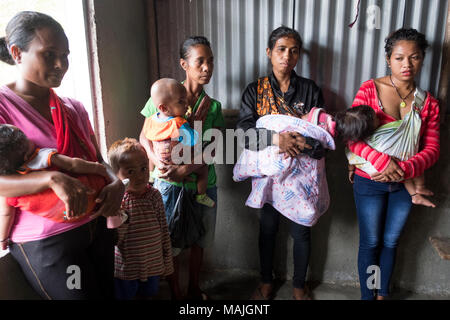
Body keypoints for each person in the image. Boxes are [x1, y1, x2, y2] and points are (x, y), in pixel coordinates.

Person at [0, 11, 124, 299]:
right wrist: (51, 178)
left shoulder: (73, 108)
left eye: (65, 55)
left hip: (96, 227)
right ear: (17, 53)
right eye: (49, 54)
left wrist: (116, 183)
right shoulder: (4, 107)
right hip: (51, 242)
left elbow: (97, 162)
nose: (61, 65)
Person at [236, 26, 327, 300]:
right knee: (268, 229)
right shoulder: (255, 91)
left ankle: (299, 285)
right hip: (268, 178)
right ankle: (266, 281)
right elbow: (243, 133)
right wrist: (277, 140)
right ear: (269, 53)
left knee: (302, 232)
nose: (287, 56)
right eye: (281, 49)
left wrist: (301, 144)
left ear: (299, 56)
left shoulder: (310, 91)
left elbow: (322, 137)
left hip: (302, 179)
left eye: (294, 50)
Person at [348, 28, 440, 300]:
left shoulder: (428, 104)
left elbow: (432, 149)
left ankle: (382, 293)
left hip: (404, 185)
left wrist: (405, 171)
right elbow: (351, 138)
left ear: (422, 59)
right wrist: (382, 161)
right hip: (369, 181)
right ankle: (368, 296)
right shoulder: (369, 90)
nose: (407, 64)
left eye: (414, 57)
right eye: (399, 58)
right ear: (388, 59)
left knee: (390, 242)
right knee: (371, 242)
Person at [139, 36, 224, 300]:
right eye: (200, 61)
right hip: (167, 184)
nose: (207, 67)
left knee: (200, 240)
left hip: (203, 183)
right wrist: (157, 160)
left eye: (210, 61)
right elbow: (144, 136)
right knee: (170, 243)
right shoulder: (160, 98)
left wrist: (186, 169)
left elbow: (217, 148)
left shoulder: (214, 107)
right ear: (184, 64)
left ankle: (194, 288)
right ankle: (176, 292)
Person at [107, 138, 173, 300]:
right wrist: (119, 217)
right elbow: (115, 239)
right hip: (127, 267)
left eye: (144, 168)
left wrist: (167, 262)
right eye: (130, 171)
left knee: (149, 295)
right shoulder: (118, 200)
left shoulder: (154, 195)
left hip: (153, 264)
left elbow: (164, 230)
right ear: (115, 175)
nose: (140, 176)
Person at [339, 106, 436, 208]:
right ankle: (419, 188)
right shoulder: (381, 134)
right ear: (369, 127)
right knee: (409, 170)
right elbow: (401, 127)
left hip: (381, 173)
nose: (378, 115)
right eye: (375, 117)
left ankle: (415, 195)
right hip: (379, 176)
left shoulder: (355, 139)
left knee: (405, 172)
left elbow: (352, 159)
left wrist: (351, 170)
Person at [142, 78, 215, 207]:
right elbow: (193, 140)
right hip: (178, 161)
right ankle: (201, 195)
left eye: (185, 99)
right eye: (181, 102)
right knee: (203, 168)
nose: (186, 104)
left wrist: (159, 164)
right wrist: (190, 122)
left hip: (161, 164)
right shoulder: (178, 122)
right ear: (163, 108)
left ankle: (151, 175)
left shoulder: (152, 120)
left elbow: (145, 137)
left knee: (154, 146)